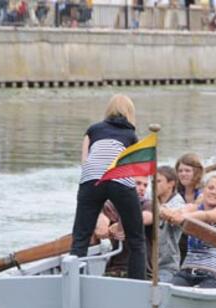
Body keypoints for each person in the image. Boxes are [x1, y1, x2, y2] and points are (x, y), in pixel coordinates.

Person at [70, 94, 147, 280]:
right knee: (136, 239)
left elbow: (85, 161)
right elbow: (133, 168)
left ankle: (73, 280)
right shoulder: (131, 135)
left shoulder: (92, 130)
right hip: (118, 180)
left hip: (91, 180)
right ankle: (137, 283)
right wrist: (123, 222)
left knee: (80, 237)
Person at [161, 175, 216, 288]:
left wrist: (183, 217)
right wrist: (168, 212)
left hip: (213, 273)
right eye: (211, 188)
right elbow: (177, 210)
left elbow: (207, 215)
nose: (214, 192)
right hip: (187, 270)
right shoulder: (194, 208)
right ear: (204, 191)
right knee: (169, 292)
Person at [95, 176, 153, 278]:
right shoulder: (110, 205)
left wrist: (121, 225)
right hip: (114, 269)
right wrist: (108, 228)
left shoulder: (148, 204)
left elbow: (146, 217)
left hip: (143, 270)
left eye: (145, 185)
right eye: (138, 184)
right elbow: (100, 230)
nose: (142, 188)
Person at [154, 166, 184, 283]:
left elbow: (168, 213)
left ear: (171, 183)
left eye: (158, 181)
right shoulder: (152, 200)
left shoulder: (178, 203)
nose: (154, 185)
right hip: (149, 264)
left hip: (166, 266)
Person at [175, 153, 204, 265]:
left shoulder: (204, 192)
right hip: (178, 238)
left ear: (196, 173)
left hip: (198, 240)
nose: (183, 174)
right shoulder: (175, 192)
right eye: (180, 171)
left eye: (187, 171)